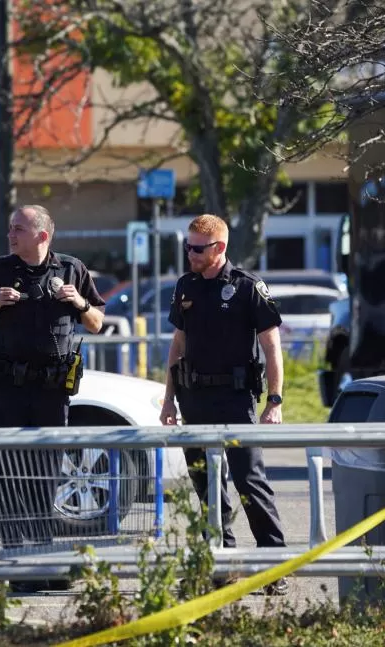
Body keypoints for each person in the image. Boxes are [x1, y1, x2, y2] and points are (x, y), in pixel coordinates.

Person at [0, 204, 105, 593]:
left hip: (51, 393)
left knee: (45, 476)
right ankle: (14, 564)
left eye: (18, 229)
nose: (11, 235)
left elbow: (97, 322)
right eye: (10, 228)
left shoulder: (71, 269)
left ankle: (42, 561)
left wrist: (79, 303)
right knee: (9, 476)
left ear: (42, 235)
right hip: (9, 390)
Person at [159, 214, 290, 596]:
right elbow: (177, 345)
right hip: (194, 399)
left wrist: (275, 400)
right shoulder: (186, 286)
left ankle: (273, 565)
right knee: (205, 486)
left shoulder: (247, 287)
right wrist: (168, 398)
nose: (190, 253)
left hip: (235, 401)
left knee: (250, 483)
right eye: (187, 246)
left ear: (219, 248)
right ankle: (218, 563)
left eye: (197, 248)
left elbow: (271, 346)